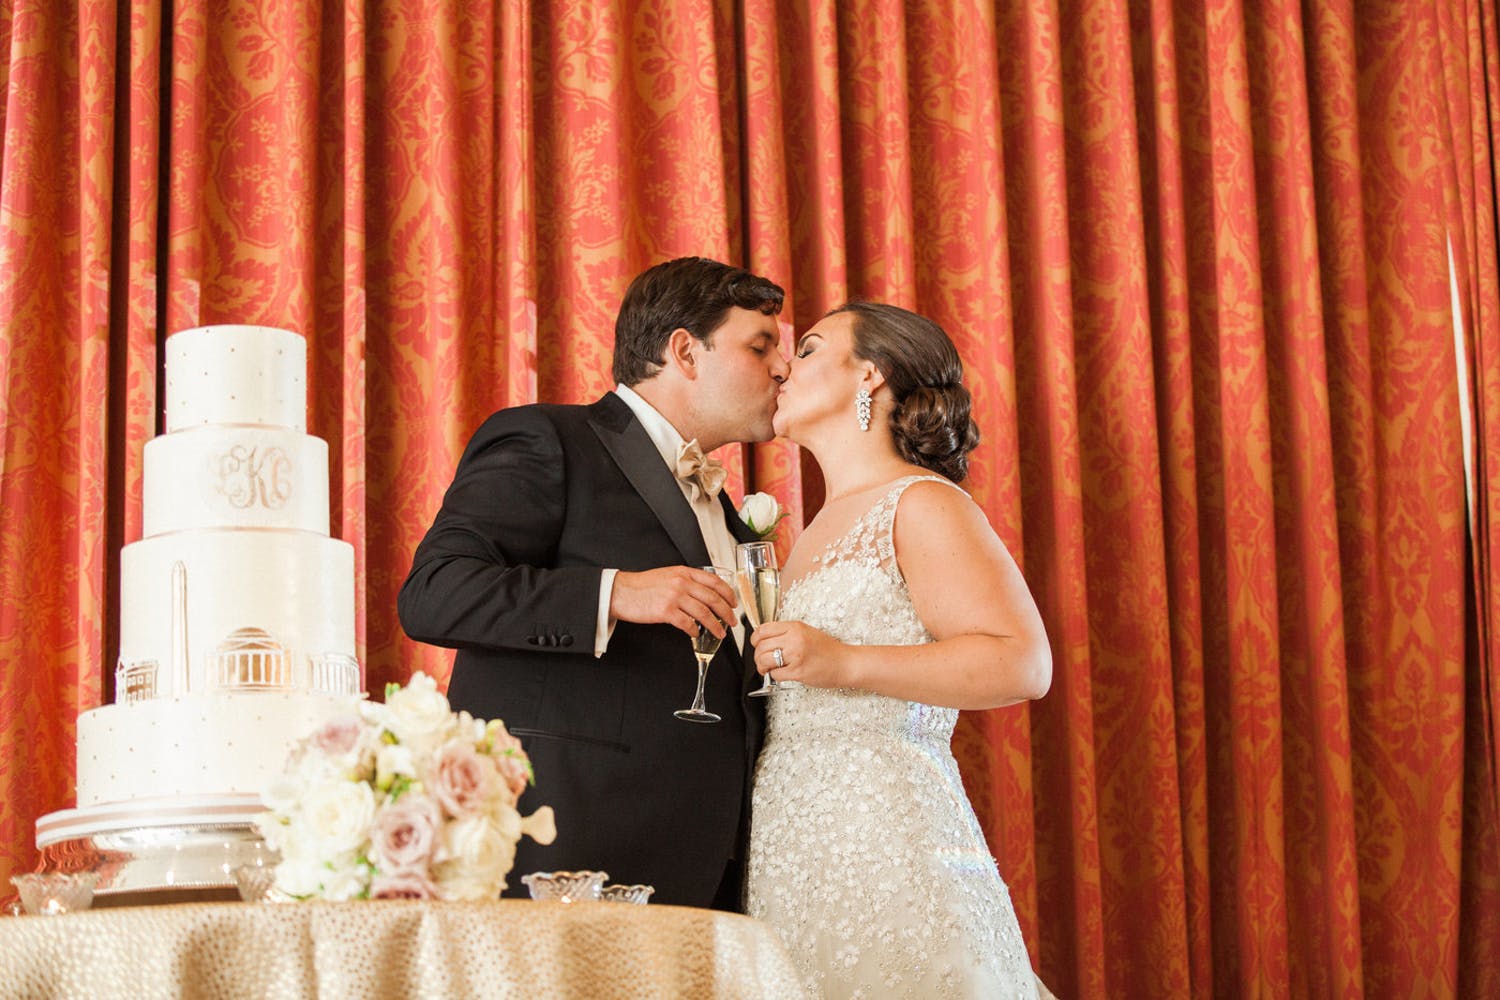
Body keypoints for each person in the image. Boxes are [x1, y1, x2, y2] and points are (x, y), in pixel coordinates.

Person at [398, 256, 788, 909]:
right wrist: (615, 593)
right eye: (760, 346)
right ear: (685, 353)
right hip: (568, 858)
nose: (782, 369)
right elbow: (435, 592)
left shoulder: (732, 518)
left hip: (706, 879)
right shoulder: (549, 440)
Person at [743, 301, 1055, 997]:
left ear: (871, 376)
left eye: (813, 348)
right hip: (793, 845)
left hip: (885, 837)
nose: (787, 366)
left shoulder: (920, 502)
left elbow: (1021, 662)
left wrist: (846, 663)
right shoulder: (818, 527)